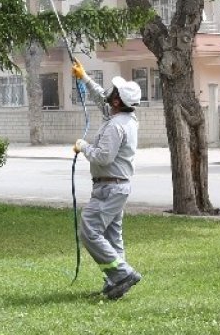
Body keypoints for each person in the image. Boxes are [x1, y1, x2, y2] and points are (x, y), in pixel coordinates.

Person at [72, 59, 143, 300]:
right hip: (117, 188)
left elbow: (103, 156)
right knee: (113, 236)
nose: (109, 92)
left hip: (109, 188)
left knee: (89, 231)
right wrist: (84, 77)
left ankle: (123, 273)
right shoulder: (124, 118)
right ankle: (115, 282)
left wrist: (83, 147)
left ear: (117, 101)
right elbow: (101, 96)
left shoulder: (115, 127)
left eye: (113, 92)